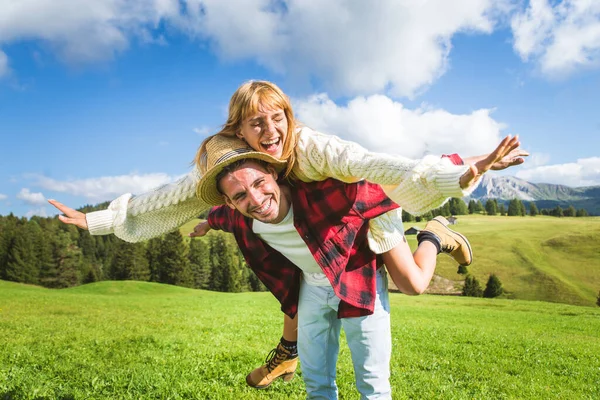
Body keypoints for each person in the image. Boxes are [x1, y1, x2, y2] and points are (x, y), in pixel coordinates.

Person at [49, 80, 528, 389]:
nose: (271, 129)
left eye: (278, 117)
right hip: (321, 247)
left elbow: (374, 167)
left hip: (366, 209)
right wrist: (98, 221)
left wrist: (465, 171)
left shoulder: (312, 148)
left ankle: (434, 235)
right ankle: (289, 350)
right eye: (257, 123)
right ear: (238, 130)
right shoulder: (231, 165)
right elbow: (171, 199)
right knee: (312, 300)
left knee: (413, 285)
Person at [194, 134, 473, 398]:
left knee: (372, 385)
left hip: (359, 281)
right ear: (230, 203)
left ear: (273, 172)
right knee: (316, 384)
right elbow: (222, 218)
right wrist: (207, 224)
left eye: (258, 184)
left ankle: (433, 237)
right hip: (311, 291)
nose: (256, 200)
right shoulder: (240, 217)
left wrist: (454, 168)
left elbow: (395, 181)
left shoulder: (325, 194)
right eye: (240, 196)